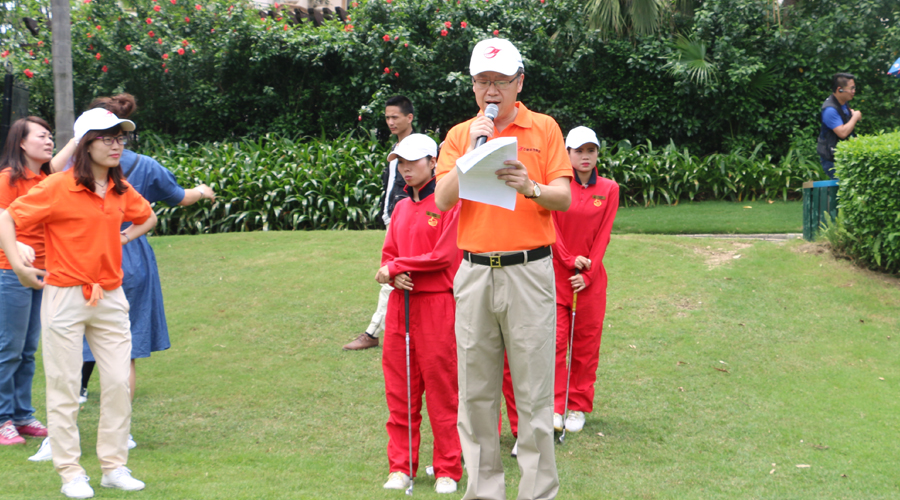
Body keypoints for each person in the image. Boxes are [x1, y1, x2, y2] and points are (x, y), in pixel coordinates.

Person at [434, 38, 572, 500]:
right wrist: (472, 153)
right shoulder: (460, 134)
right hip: (474, 273)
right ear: (473, 85)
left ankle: (538, 493)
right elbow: (442, 200)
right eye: (482, 81)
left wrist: (530, 187)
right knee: (475, 395)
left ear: (519, 82)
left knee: (534, 395)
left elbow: (564, 198)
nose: (491, 90)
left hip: (529, 272)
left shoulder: (544, 128)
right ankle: (483, 492)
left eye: (500, 81)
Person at [0, 108, 157, 499]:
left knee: (118, 383)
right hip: (64, 296)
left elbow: (148, 217)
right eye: (108, 138)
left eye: (121, 138)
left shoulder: (120, 187)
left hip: (110, 296)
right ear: (86, 144)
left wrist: (123, 237)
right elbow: (7, 217)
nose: (117, 145)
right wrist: (18, 265)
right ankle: (71, 473)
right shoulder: (58, 185)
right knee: (65, 387)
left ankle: (114, 468)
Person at [47, 94, 215, 411]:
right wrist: (202, 191)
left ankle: (77, 394)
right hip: (129, 257)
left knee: (76, 330)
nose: (115, 145)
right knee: (124, 341)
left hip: (81, 256)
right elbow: (179, 198)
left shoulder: (71, 167)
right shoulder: (144, 165)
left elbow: (46, 176)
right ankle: (120, 424)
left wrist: (74, 142)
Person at [501, 127, 619, 451]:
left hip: (590, 280)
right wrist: (568, 260)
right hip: (555, 275)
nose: (585, 157)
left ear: (597, 153)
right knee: (553, 344)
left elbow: (604, 235)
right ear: (567, 153)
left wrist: (588, 273)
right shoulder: (556, 186)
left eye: (591, 150)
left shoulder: (609, 189)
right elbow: (550, 226)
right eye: (578, 151)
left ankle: (577, 405)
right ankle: (554, 405)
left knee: (586, 344)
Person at [376, 133, 462, 494]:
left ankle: (448, 468)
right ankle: (401, 467)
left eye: (413, 161)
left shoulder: (449, 204)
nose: (406, 168)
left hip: (436, 305)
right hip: (401, 306)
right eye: (401, 162)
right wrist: (394, 274)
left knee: (442, 392)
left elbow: (443, 256)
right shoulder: (399, 208)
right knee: (401, 391)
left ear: (433, 162)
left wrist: (397, 268)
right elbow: (388, 256)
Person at [343, 96, 414, 350]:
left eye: (395, 117)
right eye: (387, 118)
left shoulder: (418, 149)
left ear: (409, 118)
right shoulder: (396, 149)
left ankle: (372, 332)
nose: (390, 122)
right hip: (393, 219)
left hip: (407, 220)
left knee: (392, 273)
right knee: (397, 274)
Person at [0, 117, 54, 446]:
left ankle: (22, 415)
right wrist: (17, 245)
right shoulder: (8, 178)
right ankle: (2, 418)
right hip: (10, 272)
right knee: (9, 348)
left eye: (50, 136)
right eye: (42, 136)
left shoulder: (47, 179)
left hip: (44, 272)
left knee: (28, 349)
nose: (49, 141)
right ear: (21, 142)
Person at [817, 72, 861, 180]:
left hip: (842, 156)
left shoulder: (842, 103)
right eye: (851, 88)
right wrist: (855, 117)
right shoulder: (830, 110)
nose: (854, 91)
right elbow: (842, 133)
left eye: (854, 88)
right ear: (840, 90)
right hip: (832, 160)